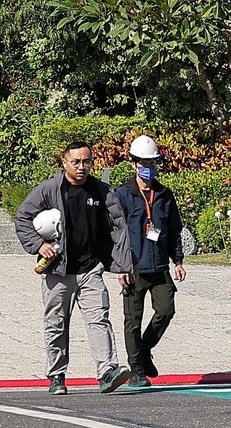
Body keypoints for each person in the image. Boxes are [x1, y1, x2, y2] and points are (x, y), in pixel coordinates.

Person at [15, 141, 134, 395]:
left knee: (99, 319)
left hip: (91, 269)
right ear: (65, 163)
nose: (82, 166)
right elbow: (22, 217)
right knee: (56, 323)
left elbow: (119, 227)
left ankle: (107, 372)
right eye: (76, 162)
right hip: (58, 271)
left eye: (87, 161)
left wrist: (123, 265)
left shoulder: (102, 191)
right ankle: (56, 375)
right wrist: (39, 245)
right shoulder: (50, 189)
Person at [115, 135, 185, 388]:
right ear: (134, 163)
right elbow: (116, 233)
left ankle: (144, 350)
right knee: (132, 320)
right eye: (143, 162)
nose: (148, 167)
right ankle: (136, 370)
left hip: (159, 265)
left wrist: (178, 260)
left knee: (166, 310)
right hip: (133, 267)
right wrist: (120, 266)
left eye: (153, 162)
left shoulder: (164, 194)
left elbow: (174, 229)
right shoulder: (123, 194)